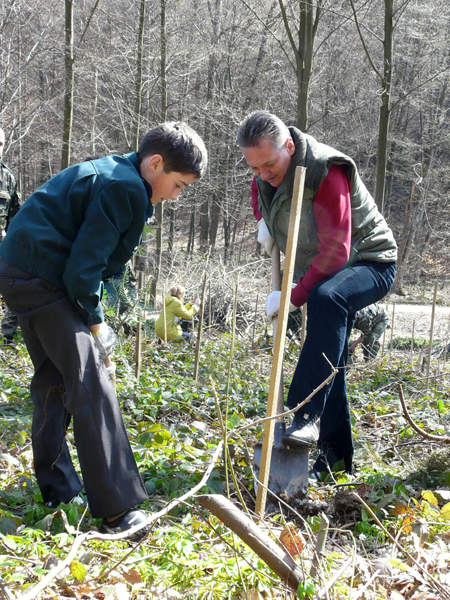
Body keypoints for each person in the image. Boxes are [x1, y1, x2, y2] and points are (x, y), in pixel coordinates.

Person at [0, 121, 207, 539]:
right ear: (155, 164)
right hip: (40, 276)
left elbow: (94, 259)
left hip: (23, 269)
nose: (178, 195)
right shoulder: (124, 187)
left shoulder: (122, 176)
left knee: (54, 378)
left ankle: (58, 489)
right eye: (179, 184)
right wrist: (96, 323)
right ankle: (118, 509)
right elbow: (83, 271)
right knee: (91, 378)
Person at [238, 110, 397, 477]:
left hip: (370, 261)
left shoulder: (327, 171)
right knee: (331, 359)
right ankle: (336, 459)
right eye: (254, 167)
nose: (262, 173)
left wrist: (294, 296)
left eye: (269, 164)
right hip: (331, 273)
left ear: (289, 146)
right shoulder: (265, 171)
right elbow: (259, 190)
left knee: (327, 299)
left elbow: (337, 251)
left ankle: (305, 413)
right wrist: (262, 220)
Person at [0, 127, 23, 343]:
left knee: (14, 290)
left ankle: (6, 337)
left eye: (0, 144)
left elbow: (16, 214)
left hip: (3, 248)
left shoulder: (8, 176)